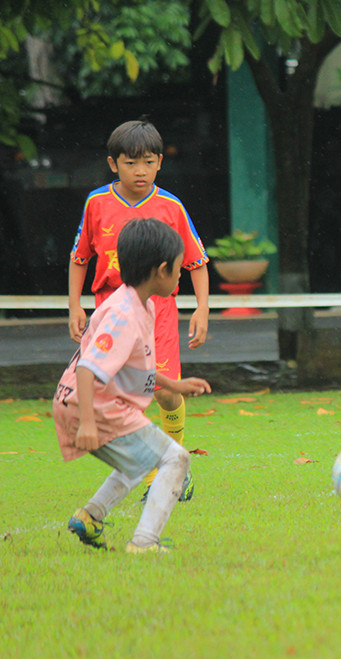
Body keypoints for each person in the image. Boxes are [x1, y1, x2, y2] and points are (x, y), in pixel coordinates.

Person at [67, 120, 210, 501]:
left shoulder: (170, 206)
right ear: (113, 164)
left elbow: (197, 262)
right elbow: (80, 257)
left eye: (148, 161)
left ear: (160, 162)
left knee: (163, 393)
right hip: (110, 309)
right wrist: (75, 306)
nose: (140, 170)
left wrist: (202, 310)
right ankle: (155, 479)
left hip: (158, 310)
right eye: (131, 163)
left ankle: (175, 465)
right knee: (122, 396)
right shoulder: (96, 203)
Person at [57, 218, 212, 553]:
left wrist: (175, 384)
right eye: (178, 266)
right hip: (92, 405)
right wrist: (86, 422)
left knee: (141, 459)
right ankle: (144, 542)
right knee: (176, 458)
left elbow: (133, 369)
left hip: (91, 403)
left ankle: (90, 515)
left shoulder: (144, 304)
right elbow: (87, 369)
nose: (182, 273)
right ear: (160, 270)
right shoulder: (124, 315)